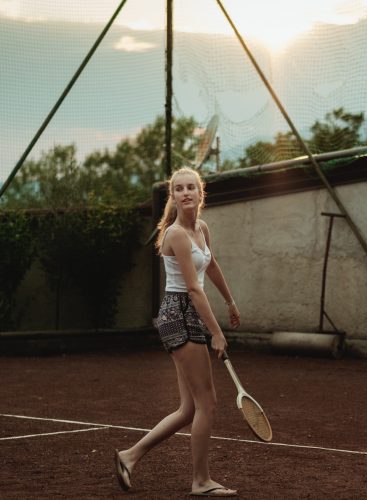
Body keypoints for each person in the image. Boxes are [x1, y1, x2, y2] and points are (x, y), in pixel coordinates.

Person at [115, 167, 241, 497]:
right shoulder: (176, 234)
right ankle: (201, 481)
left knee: (189, 409)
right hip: (179, 314)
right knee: (208, 403)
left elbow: (210, 265)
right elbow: (194, 291)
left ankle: (129, 456)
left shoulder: (201, 228)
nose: (185, 193)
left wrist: (230, 301)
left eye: (191, 187)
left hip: (188, 314)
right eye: (178, 189)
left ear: (201, 194)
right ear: (173, 196)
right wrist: (217, 332)